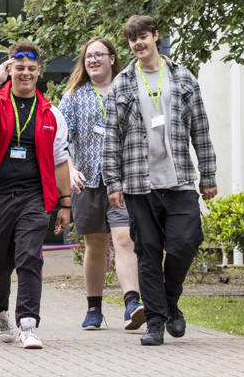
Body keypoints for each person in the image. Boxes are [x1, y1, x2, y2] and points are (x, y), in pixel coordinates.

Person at [102, 15, 217, 346]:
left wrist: (208, 175)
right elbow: (112, 138)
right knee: (148, 252)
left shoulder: (183, 77)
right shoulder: (123, 82)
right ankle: (155, 322)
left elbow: (200, 128)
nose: (138, 43)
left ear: (156, 36)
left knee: (186, 242)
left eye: (143, 37)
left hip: (179, 180)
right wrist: (114, 183)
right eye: (131, 39)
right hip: (140, 184)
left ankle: (169, 301)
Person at [0, 41, 72, 350]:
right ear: (10, 68)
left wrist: (65, 203)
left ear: (39, 71)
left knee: (29, 258)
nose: (25, 73)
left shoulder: (52, 114)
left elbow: (61, 160)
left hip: (34, 196)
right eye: (18, 68)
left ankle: (28, 324)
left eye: (30, 69)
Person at [59, 37, 145, 331]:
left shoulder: (129, 91)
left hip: (121, 182)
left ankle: (132, 303)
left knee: (125, 239)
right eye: (87, 56)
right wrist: (70, 171)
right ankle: (94, 308)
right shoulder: (73, 95)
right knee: (95, 246)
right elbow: (61, 141)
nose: (92, 60)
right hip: (87, 182)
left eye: (98, 55)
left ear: (112, 59)